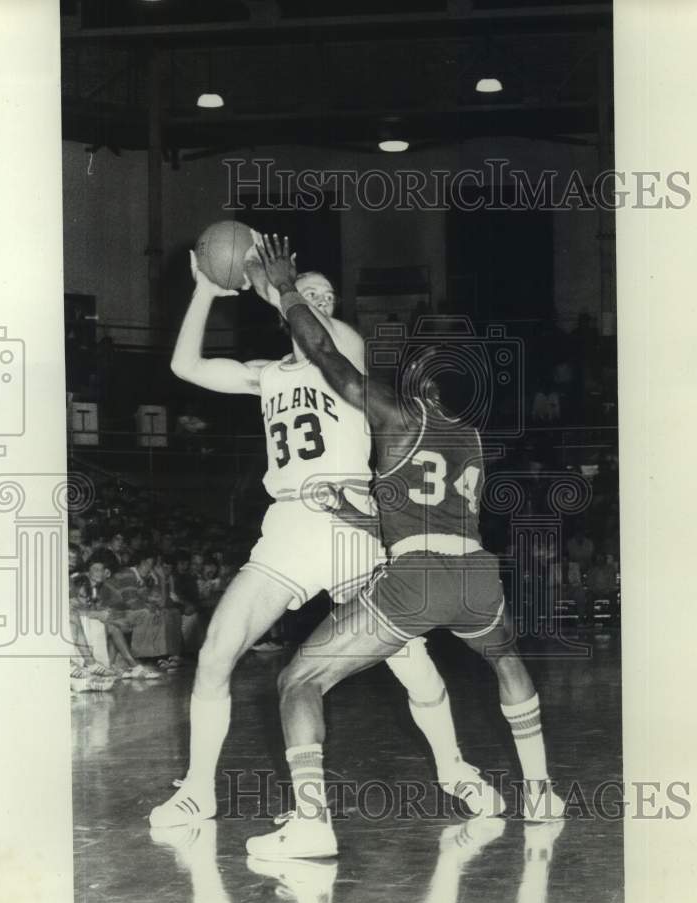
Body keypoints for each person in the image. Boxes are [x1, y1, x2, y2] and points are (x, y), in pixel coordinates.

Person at [245, 235, 564, 860]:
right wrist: (362, 519)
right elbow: (433, 514)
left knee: (300, 678)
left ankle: (311, 826)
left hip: (417, 580)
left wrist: (285, 289)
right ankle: (542, 792)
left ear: (416, 376)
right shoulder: (471, 438)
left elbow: (324, 354)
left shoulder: (396, 416)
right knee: (507, 662)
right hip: (477, 577)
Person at [149, 237, 484, 828]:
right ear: (287, 310)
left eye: (329, 298)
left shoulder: (346, 355)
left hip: (349, 529)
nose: (322, 303)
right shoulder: (265, 375)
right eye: (312, 295)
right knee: (216, 652)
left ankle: (454, 767)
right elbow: (183, 367)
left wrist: (274, 284)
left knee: (411, 662)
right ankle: (200, 788)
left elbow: (321, 338)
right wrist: (207, 287)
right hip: (287, 528)